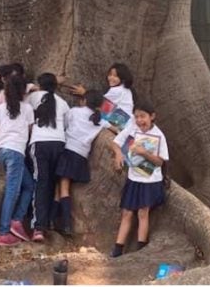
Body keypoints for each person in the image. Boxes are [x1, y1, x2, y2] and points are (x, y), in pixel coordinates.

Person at [109, 99, 169, 258]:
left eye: (143, 116)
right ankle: (117, 249)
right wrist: (118, 154)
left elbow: (160, 161)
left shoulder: (159, 135)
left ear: (152, 116)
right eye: (137, 117)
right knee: (127, 213)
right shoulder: (132, 128)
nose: (139, 120)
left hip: (150, 181)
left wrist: (144, 153)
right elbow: (116, 142)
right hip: (133, 179)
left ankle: (141, 248)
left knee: (143, 213)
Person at [0, 75, 36, 247]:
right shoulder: (28, 108)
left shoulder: (2, 108)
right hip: (16, 152)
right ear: (24, 91)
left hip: (2, 151)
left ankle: (16, 220)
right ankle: (2, 232)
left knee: (29, 186)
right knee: (12, 192)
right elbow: (30, 129)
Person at [52, 89, 107, 236]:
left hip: (68, 151)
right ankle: (54, 221)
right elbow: (115, 127)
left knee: (63, 188)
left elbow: (63, 124)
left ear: (83, 101)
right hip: (81, 156)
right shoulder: (100, 119)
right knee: (59, 187)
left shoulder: (75, 111)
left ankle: (65, 224)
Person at [25, 73, 70, 242]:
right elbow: (66, 125)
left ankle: (39, 227)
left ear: (39, 84)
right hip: (59, 143)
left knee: (41, 184)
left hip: (39, 144)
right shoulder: (63, 103)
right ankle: (52, 221)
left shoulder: (33, 97)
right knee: (53, 184)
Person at [71, 63, 136, 129]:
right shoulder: (126, 90)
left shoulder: (117, 90)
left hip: (121, 120)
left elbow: (99, 102)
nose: (111, 78)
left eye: (115, 76)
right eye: (110, 74)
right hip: (125, 120)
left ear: (123, 78)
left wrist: (84, 93)